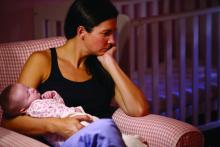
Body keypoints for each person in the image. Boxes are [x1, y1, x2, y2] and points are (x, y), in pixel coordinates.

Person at [1, 0, 149, 146]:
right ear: (81, 32)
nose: (113, 41)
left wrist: (111, 64)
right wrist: (56, 125)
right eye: (106, 33)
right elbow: (10, 121)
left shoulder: (102, 64)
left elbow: (138, 109)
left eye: (113, 33)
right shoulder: (42, 61)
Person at [0, 83, 147, 147]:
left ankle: (131, 142)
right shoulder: (33, 109)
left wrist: (54, 96)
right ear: (22, 110)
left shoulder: (40, 101)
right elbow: (57, 114)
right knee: (106, 126)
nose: (32, 89)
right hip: (69, 138)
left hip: (81, 125)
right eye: (27, 93)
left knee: (111, 133)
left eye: (28, 88)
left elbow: (60, 106)